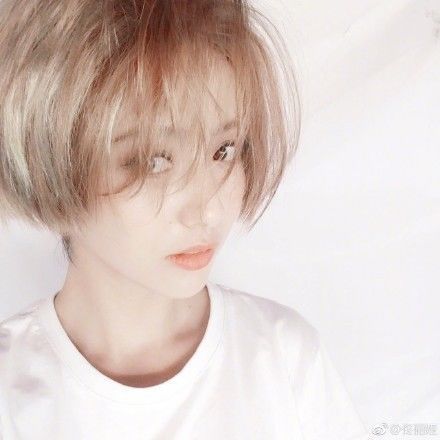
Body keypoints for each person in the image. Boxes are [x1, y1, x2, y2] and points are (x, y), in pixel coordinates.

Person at [0, 0, 369, 438]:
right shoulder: (12, 392)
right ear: (49, 156)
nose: (208, 210)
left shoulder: (282, 360)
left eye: (223, 151)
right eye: (154, 162)